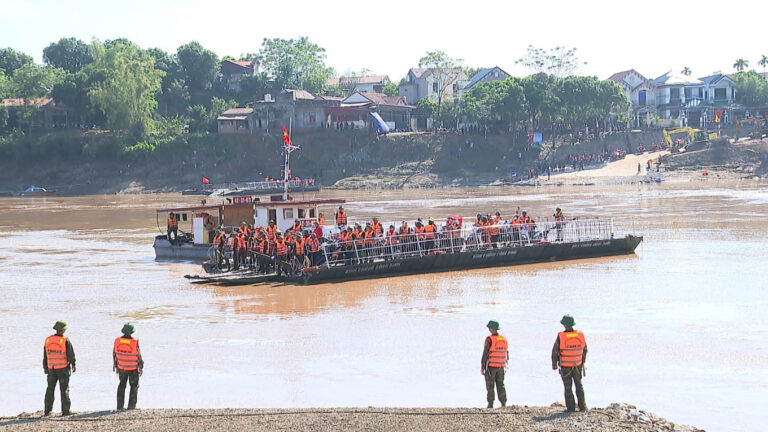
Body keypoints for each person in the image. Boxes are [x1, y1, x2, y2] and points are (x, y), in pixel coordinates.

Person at [552, 315, 587, 412]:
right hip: (577, 365)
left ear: (565, 325)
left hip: (566, 366)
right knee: (579, 386)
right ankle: (583, 407)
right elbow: (585, 349)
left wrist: (554, 364)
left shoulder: (561, 336)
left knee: (568, 388)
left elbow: (555, 351)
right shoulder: (580, 335)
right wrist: (582, 361)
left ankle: (571, 408)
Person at [44, 320, 76, 416]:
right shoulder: (65, 340)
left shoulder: (48, 340)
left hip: (51, 368)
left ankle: (47, 411)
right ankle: (65, 411)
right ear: (62, 330)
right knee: (64, 389)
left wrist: (45, 367)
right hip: (62, 368)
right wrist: (73, 364)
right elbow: (71, 354)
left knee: (50, 389)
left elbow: (45, 355)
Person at [113, 322, 144, 410]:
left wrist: (116, 366)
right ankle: (131, 406)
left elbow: (114, 354)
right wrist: (141, 367)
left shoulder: (117, 341)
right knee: (134, 386)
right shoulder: (134, 342)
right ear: (132, 332)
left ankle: (119, 406)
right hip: (133, 368)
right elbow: (138, 356)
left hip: (121, 367)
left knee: (121, 386)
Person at [481, 320, 507, 408]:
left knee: (490, 385)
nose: (488, 329)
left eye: (489, 328)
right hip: (501, 366)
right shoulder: (503, 339)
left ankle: (490, 404)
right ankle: (503, 404)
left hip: (491, 366)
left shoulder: (489, 339)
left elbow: (485, 354)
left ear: (492, 329)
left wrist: (482, 367)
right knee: (501, 385)